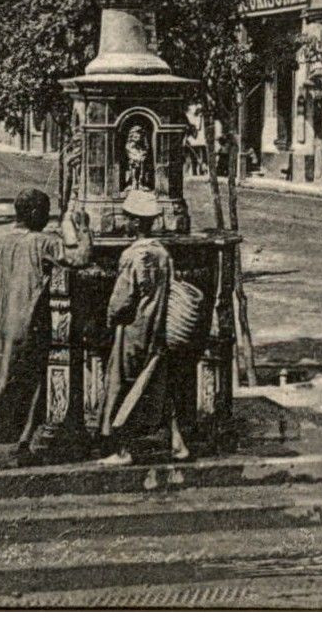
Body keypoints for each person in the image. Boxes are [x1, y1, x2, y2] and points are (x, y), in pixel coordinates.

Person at [0, 190, 93, 470]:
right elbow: (79, 258)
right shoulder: (43, 243)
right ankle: (23, 444)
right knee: (31, 384)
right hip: (29, 326)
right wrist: (83, 229)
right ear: (36, 215)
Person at [100, 190, 193, 464]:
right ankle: (178, 444)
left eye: (128, 218)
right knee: (156, 385)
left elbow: (122, 300)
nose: (125, 223)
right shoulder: (163, 254)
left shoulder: (132, 255)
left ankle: (122, 449)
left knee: (123, 384)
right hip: (158, 327)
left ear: (134, 222)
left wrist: (110, 319)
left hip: (133, 328)